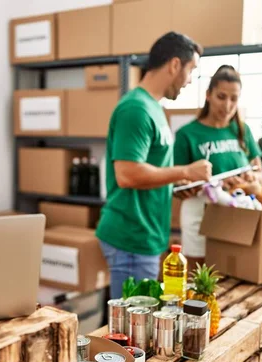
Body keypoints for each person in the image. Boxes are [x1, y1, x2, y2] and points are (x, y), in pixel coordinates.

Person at [95, 32, 212, 300]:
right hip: (132, 237)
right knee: (129, 334)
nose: (190, 79)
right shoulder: (136, 109)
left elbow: (148, 169)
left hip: (144, 236)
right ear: (174, 65)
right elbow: (127, 174)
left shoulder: (153, 108)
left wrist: (175, 183)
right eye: (190, 69)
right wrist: (185, 170)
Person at [173, 65, 262, 267]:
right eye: (221, 97)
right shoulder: (187, 134)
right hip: (200, 214)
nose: (228, 105)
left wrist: (251, 179)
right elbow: (177, 182)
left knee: (234, 271)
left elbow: (260, 174)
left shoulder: (242, 130)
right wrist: (210, 183)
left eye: (234, 99)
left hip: (237, 215)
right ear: (208, 95)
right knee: (198, 276)